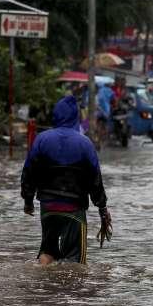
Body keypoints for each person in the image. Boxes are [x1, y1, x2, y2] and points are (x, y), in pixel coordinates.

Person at [21, 96, 111, 265]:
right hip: (74, 210)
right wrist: (102, 208)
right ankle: (69, 291)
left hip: (48, 208)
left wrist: (28, 201)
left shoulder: (41, 139)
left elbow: (28, 172)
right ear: (75, 116)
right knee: (75, 264)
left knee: (47, 251)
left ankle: (41, 286)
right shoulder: (85, 143)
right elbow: (95, 180)